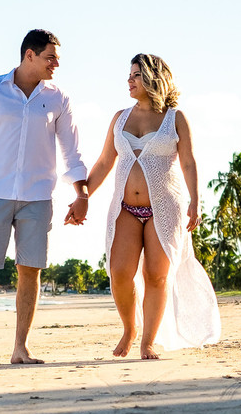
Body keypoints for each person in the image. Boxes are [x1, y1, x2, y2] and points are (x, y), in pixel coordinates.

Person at [69, 54, 221, 359]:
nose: (129, 80)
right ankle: (130, 328)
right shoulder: (120, 117)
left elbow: (188, 162)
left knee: (156, 276)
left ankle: (147, 342)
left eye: (136, 75)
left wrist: (195, 201)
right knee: (119, 272)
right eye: (130, 75)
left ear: (153, 78)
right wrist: (83, 198)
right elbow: (104, 162)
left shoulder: (175, 118)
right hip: (125, 208)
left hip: (165, 208)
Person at [0, 29, 89, 364]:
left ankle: (20, 346)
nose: (56, 64)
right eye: (50, 57)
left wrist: (82, 194)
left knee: (31, 269)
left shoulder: (58, 99)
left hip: (38, 196)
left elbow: (71, 152)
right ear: (30, 55)